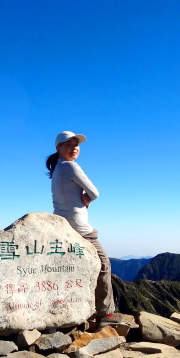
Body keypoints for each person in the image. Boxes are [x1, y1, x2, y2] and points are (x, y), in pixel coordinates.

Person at [46, 131, 121, 325]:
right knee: (103, 265)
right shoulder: (69, 166)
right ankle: (105, 314)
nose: (74, 147)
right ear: (59, 148)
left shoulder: (57, 168)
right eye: (69, 144)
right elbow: (95, 192)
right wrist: (89, 198)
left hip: (63, 224)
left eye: (76, 144)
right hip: (80, 228)